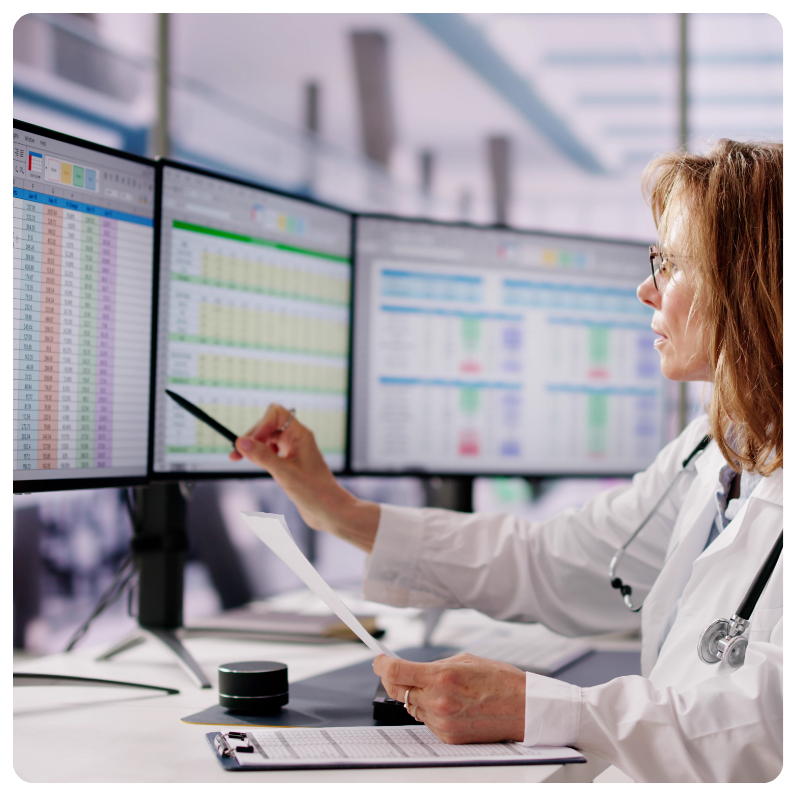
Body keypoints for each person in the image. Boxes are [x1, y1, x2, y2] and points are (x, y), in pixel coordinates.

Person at [230, 140, 783, 783]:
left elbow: (767, 729)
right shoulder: (718, 445)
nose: (645, 289)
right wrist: (336, 511)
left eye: (672, 264)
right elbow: (557, 559)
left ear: (752, 284)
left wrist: (539, 708)